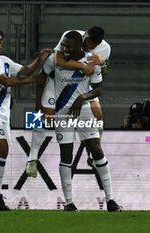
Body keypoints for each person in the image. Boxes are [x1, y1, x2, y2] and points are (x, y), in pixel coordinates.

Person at [41, 31, 121, 212]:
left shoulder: (91, 61)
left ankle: (111, 200)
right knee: (66, 155)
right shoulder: (56, 60)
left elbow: (99, 89)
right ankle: (69, 203)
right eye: (63, 46)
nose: (64, 49)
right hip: (63, 114)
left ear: (79, 46)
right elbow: (42, 76)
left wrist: (83, 96)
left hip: (84, 111)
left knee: (96, 150)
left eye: (69, 46)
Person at [0, 27, 52, 211]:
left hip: (3, 113)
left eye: (0, 40)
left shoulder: (4, 60)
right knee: (3, 149)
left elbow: (25, 70)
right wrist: (34, 80)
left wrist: (40, 59)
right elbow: (7, 81)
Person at [26, 26, 111, 177]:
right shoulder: (67, 39)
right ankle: (32, 158)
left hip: (82, 83)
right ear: (83, 38)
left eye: (88, 48)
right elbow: (54, 64)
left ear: (97, 45)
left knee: (98, 115)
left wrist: (102, 63)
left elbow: (101, 72)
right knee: (41, 116)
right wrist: (37, 104)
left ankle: (92, 155)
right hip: (57, 82)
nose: (85, 49)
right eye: (84, 45)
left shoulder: (105, 49)